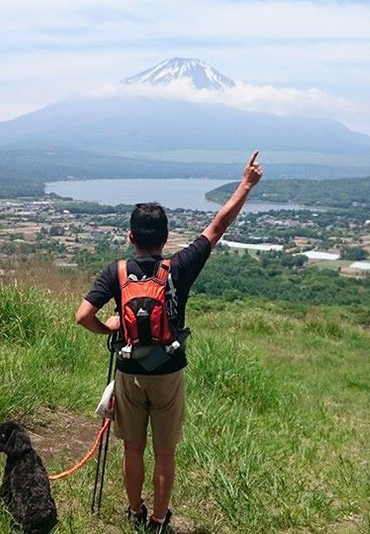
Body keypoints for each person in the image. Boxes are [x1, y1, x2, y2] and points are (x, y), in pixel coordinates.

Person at [75, 151, 263, 532]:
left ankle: (133, 512)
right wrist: (245, 184)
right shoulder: (178, 267)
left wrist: (111, 328)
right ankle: (159, 520)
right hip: (169, 370)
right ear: (165, 238)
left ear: (131, 237)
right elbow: (217, 226)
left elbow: (83, 316)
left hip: (129, 371)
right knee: (164, 451)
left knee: (132, 448)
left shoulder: (117, 271)